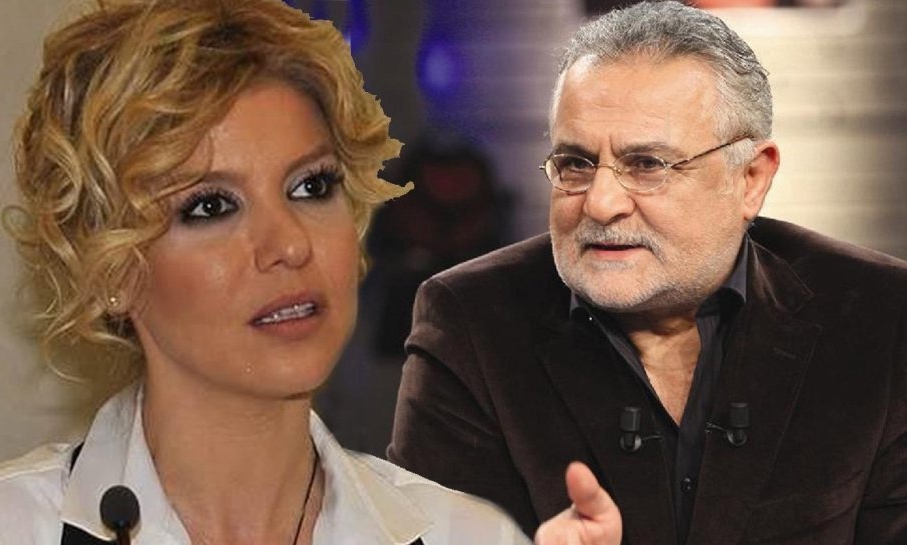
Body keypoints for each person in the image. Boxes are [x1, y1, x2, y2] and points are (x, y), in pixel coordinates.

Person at [0, 1, 535, 544]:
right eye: (211, 206)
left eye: (311, 187)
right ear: (112, 269)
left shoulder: (470, 537)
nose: (289, 245)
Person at [389, 1, 907, 544]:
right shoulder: (470, 324)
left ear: (751, 179)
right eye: (576, 164)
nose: (600, 203)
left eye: (647, 165)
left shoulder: (880, 317)